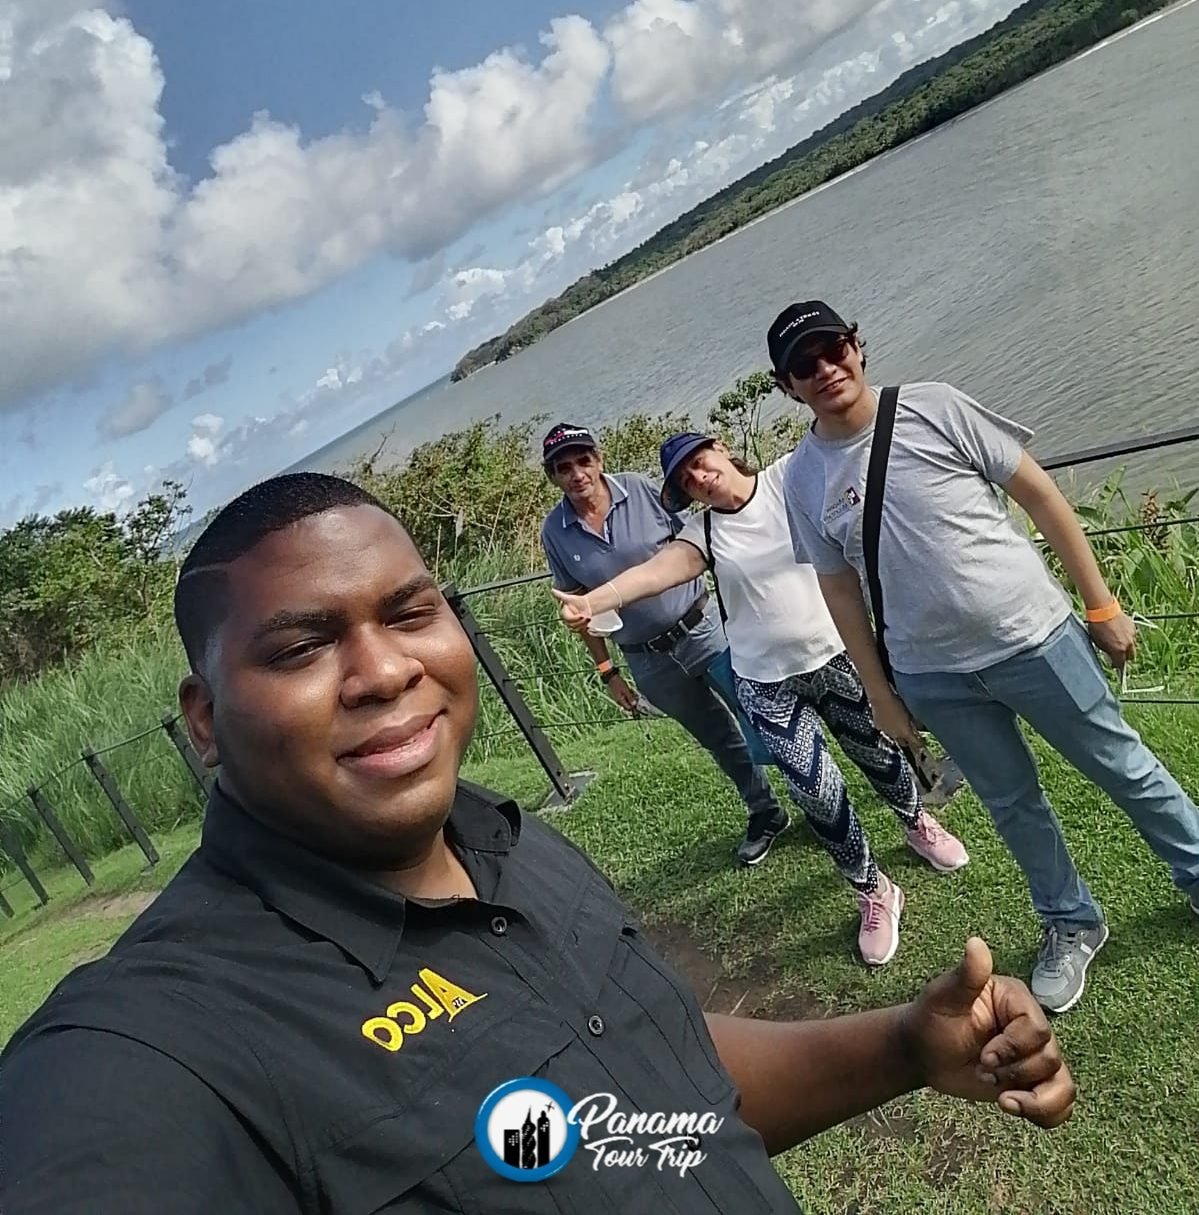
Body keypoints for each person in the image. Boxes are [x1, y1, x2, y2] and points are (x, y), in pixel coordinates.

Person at [0, 471, 1076, 1214]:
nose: (383, 670)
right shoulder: (161, 1040)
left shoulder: (511, 846)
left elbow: (654, 1086)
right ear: (203, 720)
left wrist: (897, 1048)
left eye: (410, 613)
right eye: (301, 646)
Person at [770, 299, 1199, 1014]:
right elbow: (839, 591)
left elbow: (1038, 493)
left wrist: (1100, 605)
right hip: (930, 674)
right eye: (802, 366)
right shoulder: (800, 478)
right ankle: (1069, 918)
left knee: (1122, 764)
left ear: (856, 346)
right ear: (787, 386)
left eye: (831, 350)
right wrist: (879, 693)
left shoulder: (934, 407)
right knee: (1010, 804)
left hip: (1034, 635)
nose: (824, 370)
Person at [552, 432, 969, 966]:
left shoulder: (786, 482)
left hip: (834, 656)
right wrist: (595, 601)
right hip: (765, 682)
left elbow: (847, 475)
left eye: (699, 463)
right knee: (817, 792)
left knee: (877, 754)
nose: (699, 478)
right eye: (685, 480)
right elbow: (655, 574)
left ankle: (916, 823)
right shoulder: (700, 532)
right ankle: (872, 889)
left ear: (722, 449)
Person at [538, 422, 787, 865]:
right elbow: (578, 607)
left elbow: (702, 538)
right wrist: (606, 670)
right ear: (553, 476)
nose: (577, 473)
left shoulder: (639, 488)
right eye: (564, 467)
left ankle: (816, 796)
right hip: (647, 659)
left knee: (762, 713)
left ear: (599, 459)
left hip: (703, 628)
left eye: (583, 460)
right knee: (718, 738)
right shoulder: (554, 532)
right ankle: (765, 811)